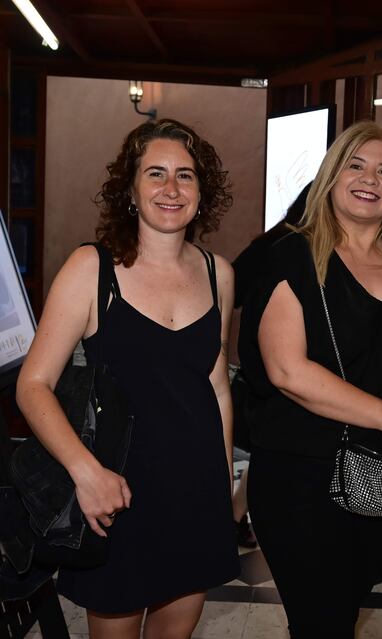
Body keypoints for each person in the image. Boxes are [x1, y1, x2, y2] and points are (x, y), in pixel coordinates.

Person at [16, 119, 239, 638]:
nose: (171, 188)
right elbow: (33, 385)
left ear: (202, 193)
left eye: (186, 176)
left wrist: (223, 489)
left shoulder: (218, 274)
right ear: (131, 190)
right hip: (116, 495)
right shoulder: (91, 268)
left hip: (194, 495)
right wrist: (86, 473)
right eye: (155, 173)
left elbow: (217, 388)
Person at [245, 120, 382, 638]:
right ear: (331, 176)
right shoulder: (289, 255)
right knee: (322, 622)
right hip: (299, 475)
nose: (369, 178)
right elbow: (288, 372)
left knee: (347, 610)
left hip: (377, 473)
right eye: (355, 165)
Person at [230, 183, 311, 549]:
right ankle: (235, 517)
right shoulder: (286, 247)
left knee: (267, 447)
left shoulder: (273, 241)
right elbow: (228, 288)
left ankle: (234, 516)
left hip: (266, 363)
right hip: (275, 366)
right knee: (270, 446)